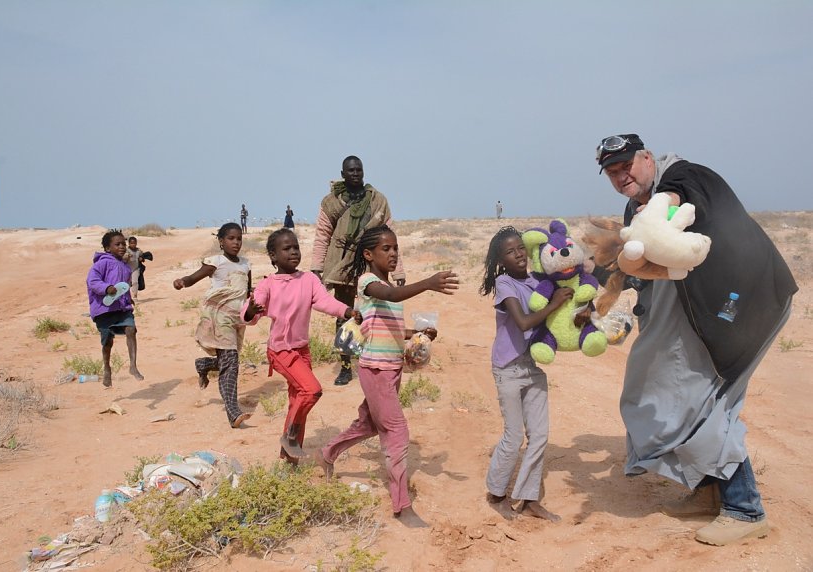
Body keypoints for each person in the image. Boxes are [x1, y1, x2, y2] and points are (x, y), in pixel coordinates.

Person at [594, 133, 797, 545]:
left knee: (706, 402)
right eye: (612, 172)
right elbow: (643, 260)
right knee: (664, 388)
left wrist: (657, 208)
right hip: (703, 313)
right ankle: (707, 492)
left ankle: (745, 510)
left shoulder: (687, 178)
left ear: (647, 158)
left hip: (744, 305)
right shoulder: (638, 206)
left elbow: (676, 201)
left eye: (626, 166)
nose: (621, 177)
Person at [315, 225, 458, 527]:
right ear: (368, 254)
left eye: (396, 248)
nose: (393, 254)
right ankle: (401, 505)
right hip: (376, 369)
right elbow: (391, 293)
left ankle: (327, 453)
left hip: (391, 369)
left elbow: (389, 328)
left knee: (368, 424)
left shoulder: (388, 287)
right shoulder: (368, 283)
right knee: (397, 432)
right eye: (386, 249)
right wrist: (429, 282)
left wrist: (416, 334)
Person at [242, 228, 361, 463]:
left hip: (302, 350)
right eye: (286, 249)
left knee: (298, 400)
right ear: (273, 256)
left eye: (296, 247)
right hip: (280, 350)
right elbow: (249, 315)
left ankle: (289, 461)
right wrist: (250, 311)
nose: (294, 252)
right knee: (311, 390)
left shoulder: (308, 279)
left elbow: (325, 301)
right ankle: (290, 437)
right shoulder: (268, 284)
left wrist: (347, 311)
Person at [478, 226, 572, 521]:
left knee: (540, 435)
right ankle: (496, 493)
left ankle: (529, 499)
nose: (518, 254)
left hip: (531, 366)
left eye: (520, 248)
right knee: (514, 435)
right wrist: (556, 302)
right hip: (507, 368)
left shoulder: (538, 280)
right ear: (500, 260)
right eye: (510, 251)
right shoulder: (504, 284)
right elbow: (522, 322)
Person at [311, 155, 405, 386]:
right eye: (350, 171)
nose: (355, 174)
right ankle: (345, 366)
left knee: (375, 311)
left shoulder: (377, 200)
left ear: (363, 172)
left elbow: (390, 236)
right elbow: (322, 235)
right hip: (341, 264)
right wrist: (316, 268)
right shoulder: (331, 202)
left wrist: (398, 271)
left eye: (358, 170)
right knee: (345, 315)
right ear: (343, 174)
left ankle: (374, 357)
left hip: (371, 262)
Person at [173, 223, 252, 429]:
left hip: (237, 319)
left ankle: (204, 364)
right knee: (231, 363)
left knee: (227, 361)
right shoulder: (216, 262)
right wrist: (182, 281)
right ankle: (233, 412)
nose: (236, 242)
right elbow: (194, 277)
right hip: (218, 318)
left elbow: (247, 291)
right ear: (221, 241)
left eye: (239, 239)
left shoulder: (245, 264)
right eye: (231, 238)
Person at [86, 229, 145, 387]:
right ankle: (107, 368)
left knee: (131, 330)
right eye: (117, 244)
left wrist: (129, 299)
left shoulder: (126, 268)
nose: (122, 247)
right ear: (107, 248)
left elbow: (124, 287)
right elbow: (92, 281)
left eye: (123, 244)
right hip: (104, 311)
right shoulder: (101, 263)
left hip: (122, 309)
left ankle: (133, 366)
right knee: (107, 342)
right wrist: (106, 288)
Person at [123, 236, 144, 301]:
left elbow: (142, 257)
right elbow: (122, 259)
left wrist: (141, 259)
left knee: (135, 282)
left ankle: (135, 297)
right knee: (127, 284)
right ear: (129, 243)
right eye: (131, 243)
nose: (133, 244)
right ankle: (127, 297)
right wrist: (127, 257)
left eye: (134, 243)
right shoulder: (126, 250)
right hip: (127, 269)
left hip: (135, 269)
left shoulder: (139, 251)